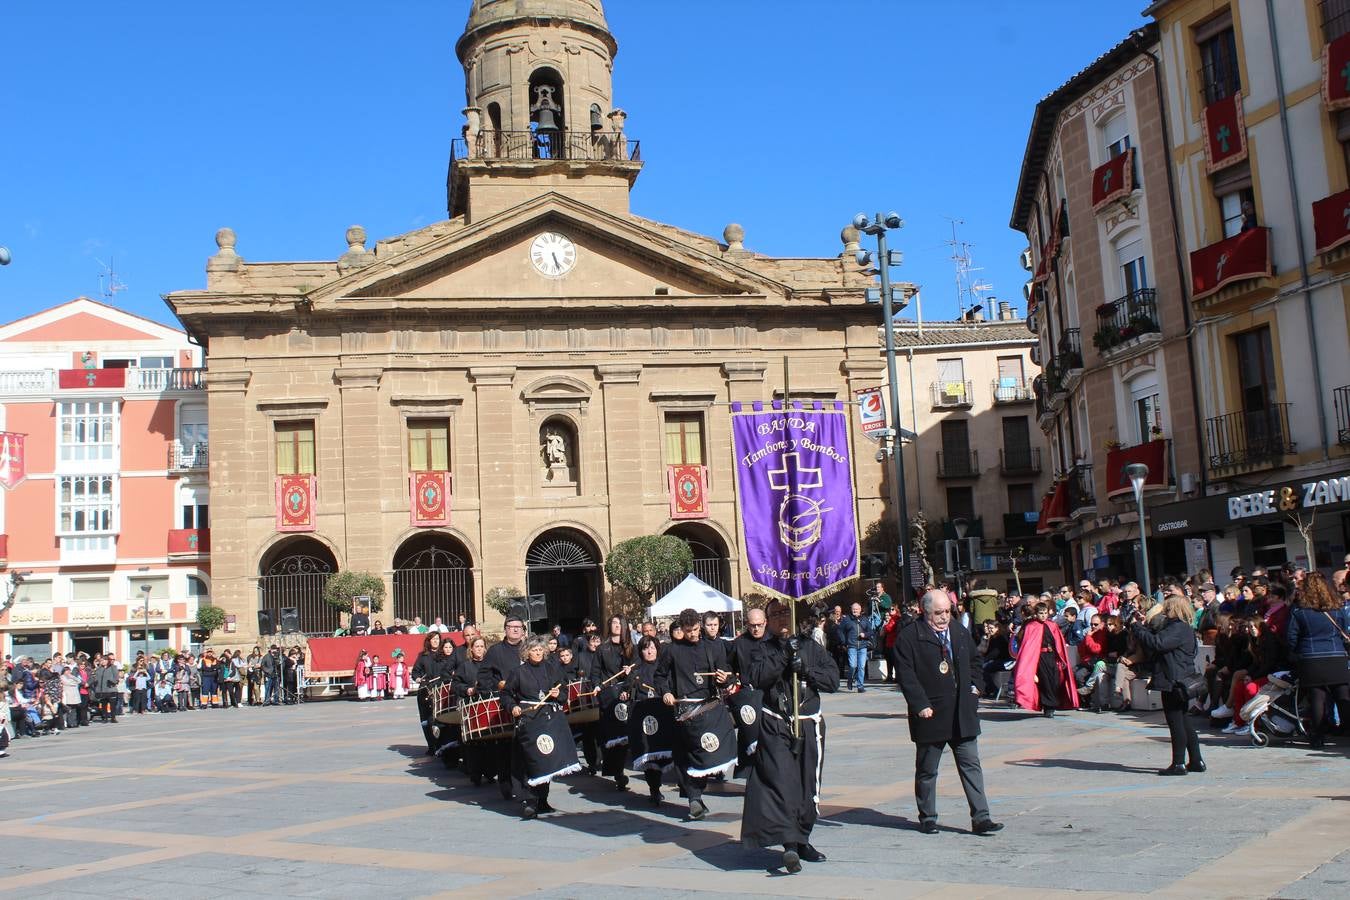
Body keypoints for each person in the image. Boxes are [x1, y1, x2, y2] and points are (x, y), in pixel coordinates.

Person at [895, 589, 1002, 835]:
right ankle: (928, 817)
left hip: (961, 711)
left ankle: (981, 817)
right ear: (924, 612)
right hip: (931, 713)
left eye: (947, 612)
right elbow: (906, 675)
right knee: (927, 769)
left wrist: (976, 688)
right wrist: (919, 704)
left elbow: (975, 661)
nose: (944, 617)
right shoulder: (910, 637)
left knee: (971, 765)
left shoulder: (958, 631)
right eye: (938, 613)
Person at [740, 613, 839, 873]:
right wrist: (784, 654)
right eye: (777, 614)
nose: (783, 619)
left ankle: (802, 838)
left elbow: (833, 681)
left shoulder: (812, 647)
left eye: (787, 612)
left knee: (809, 786)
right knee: (783, 784)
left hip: (808, 724)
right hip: (776, 725)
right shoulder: (762, 649)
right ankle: (789, 846)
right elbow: (757, 678)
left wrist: (806, 670)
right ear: (770, 620)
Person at [655, 607, 733, 821]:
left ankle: (697, 791)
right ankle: (694, 799)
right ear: (681, 628)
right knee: (685, 755)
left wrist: (723, 678)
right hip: (684, 709)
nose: (693, 634)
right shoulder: (672, 650)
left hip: (708, 707)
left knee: (708, 753)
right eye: (688, 630)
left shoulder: (713, 647)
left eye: (696, 629)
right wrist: (667, 692)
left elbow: (724, 672)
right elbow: (660, 676)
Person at [501, 635, 578, 819]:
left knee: (546, 760)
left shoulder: (552, 668)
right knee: (530, 762)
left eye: (540, 650)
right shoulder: (518, 672)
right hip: (528, 720)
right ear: (527, 652)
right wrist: (514, 707)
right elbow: (506, 695)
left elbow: (564, 690)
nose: (537, 653)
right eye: (534, 650)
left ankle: (542, 800)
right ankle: (529, 801)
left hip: (548, 719)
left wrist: (558, 693)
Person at [1130, 596, 1205, 775]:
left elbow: (1158, 643)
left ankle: (1178, 763)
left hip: (1173, 680)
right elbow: (1158, 638)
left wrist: (1136, 627)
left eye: (1168, 608)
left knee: (1175, 722)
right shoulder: (1182, 627)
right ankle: (1196, 761)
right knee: (1184, 721)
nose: (1164, 610)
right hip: (1180, 679)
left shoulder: (1178, 628)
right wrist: (1142, 626)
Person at [1286, 571, 1350, 748]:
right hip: (1336, 655)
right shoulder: (1337, 609)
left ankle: (1317, 736)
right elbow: (1344, 632)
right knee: (1342, 695)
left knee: (1317, 697)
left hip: (1310, 657)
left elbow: (1291, 637)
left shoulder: (1299, 611)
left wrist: (1297, 653)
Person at [485, 616, 528, 798]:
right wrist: (497, 686)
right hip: (503, 704)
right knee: (505, 745)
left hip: (526, 703)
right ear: (505, 629)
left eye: (519, 627)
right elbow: (484, 675)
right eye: (512, 627)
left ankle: (525, 785)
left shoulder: (529, 649)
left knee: (524, 745)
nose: (516, 630)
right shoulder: (495, 651)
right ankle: (504, 780)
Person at [1012, 603, 1079, 718]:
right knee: (1045, 681)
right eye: (1040, 613)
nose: (1043, 616)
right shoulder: (1031, 626)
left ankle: (1053, 704)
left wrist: (1060, 657)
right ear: (1036, 614)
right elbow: (1028, 646)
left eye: (1045, 613)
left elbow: (1058, 643)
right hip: (1039, 657)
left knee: (1055, 680)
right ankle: (1049, 707)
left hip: (1052, 656)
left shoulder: (1052, 625)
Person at [595, 614, 635, 790]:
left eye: (620, 623)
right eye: (613, 623)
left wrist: (630, 672)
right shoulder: (602, 648)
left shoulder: (631, 647)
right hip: (609, 695)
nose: (616, 626)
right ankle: (617, 772)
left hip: (627, 693)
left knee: (629, 734)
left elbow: (638, 668)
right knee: (613, 737)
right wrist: (597, 686)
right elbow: (595, 672)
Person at [452, 635, 498, 785]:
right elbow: (455, 685)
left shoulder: (491, 665)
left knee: (492, 740)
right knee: (474, 743)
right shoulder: (465, 666)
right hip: (472, 707)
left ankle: (491, 771)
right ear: (471, 649)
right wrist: (468, 690)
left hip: (489, 706)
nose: (479, 649)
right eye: (476, 646)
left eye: (481, 646)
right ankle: (475, 773)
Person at [837, 602, 872, 692]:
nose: (855, 610)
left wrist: (865, 634)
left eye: (856, 609)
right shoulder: (846, 619)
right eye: (853, 609)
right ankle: (850, 678)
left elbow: (871, 631)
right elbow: (840, 631)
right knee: (852, 666)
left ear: (860, 610)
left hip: (863, 646)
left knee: (861, 666)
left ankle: (860, 686)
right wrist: (844, 642)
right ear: (851, 609)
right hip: (852, 646)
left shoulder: (865, 619)